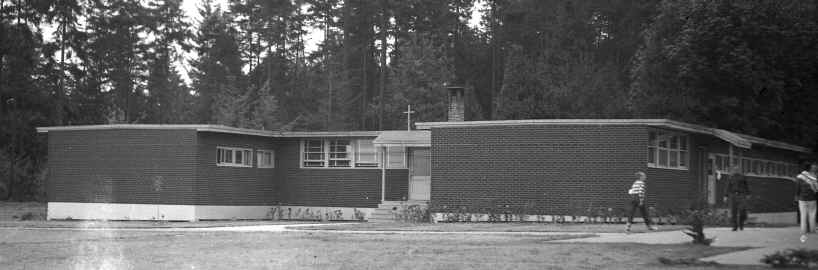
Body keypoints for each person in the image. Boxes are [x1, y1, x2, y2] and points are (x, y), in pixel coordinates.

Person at [795, 162, 818, 243]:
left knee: (803, 215)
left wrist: (797, 196)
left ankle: (803, 231)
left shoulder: (800, 177)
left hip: (802, 198)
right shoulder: (815, 177)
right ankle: (812, 229)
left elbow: (797, 187)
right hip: (812, 198)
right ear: (811, 168)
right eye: (815, 167)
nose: (816, 168)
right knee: (812, 214)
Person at [723, 166, 750, 231]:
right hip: (733, 195)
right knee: (733, 211)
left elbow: (746, 186)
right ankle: (735, 226)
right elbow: (728, 187)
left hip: (741, 195)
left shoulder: (743, 177)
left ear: (739, 170)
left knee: (742, 210)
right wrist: (725, 196)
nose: (736, 171)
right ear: (733, 170)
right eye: (735, 170)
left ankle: (741, 223)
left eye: (737, 169)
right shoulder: (731, 177)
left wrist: (748, 194)